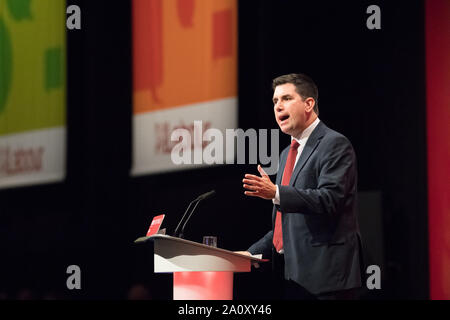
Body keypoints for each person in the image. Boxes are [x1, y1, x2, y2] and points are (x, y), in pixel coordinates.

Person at [240, 73, 363, 300]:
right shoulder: (287, 154)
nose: (278, 106)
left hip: (327, 279)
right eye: (275, 101)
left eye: (286, 98)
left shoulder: (333, 143)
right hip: (294, 279)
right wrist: (250, 253)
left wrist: (276, 193)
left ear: (309, 104)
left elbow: (330, 199)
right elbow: (284, 225)